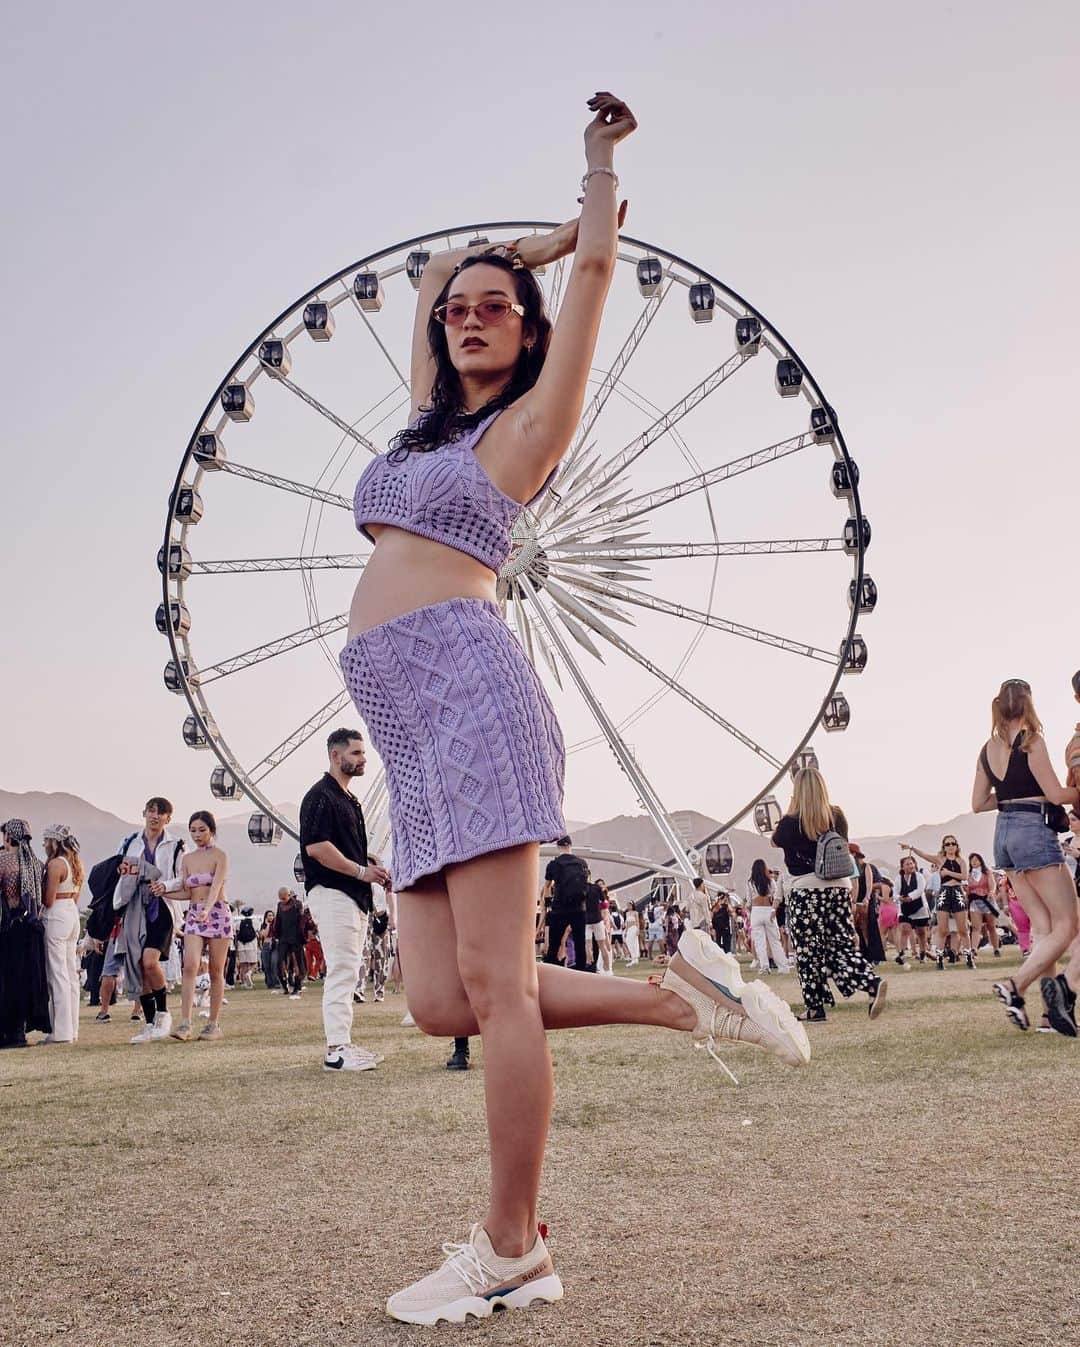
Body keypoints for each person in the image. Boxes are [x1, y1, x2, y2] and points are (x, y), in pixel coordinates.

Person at [335, 91, 808, 1325]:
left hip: (472, 699)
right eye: (461, 309)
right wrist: (506, 254)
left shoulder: (526, 430)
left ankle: (511, 1246)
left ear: (533, 335)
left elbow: (595, 272)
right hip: (409, 735)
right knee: (438, 1000)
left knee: (496, 995)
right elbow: (441, 270)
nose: (472, 312)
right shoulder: (424, 422)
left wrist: (589, 187)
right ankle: (679, 1000)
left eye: (501, 307)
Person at [971, 679, 1079, 1033]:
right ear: (1028, 705)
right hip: (1033, 831)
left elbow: (978, 804)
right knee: (1069, 923)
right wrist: (1075, 790)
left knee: (1043, 928)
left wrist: (1009, 796)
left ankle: (1050, 1016)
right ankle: (1014, 985)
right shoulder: (1031, 741)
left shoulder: (987, 749)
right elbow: (1055, 793)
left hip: (1004, 833)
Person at [300, 728, 390, 1072]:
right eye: (355, 753)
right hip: (333, 892)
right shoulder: (321, 796)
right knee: (341, 969)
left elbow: (337, 845)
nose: (362, 759)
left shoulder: (348, 799)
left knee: (349, 969)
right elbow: (318, 848)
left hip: (352, 895)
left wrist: (368, 864)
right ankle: (336, 1050)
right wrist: (359, 872)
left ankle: (343, 1044)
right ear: (335, 756)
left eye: (363, 754)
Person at [772, 769, 887, 1023]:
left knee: (808, 951)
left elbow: (775, 841)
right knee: (841, 944)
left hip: (806, 889)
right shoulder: (836, 816)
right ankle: (871, 982)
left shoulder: (791, 822)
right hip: (838, 888)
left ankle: (815, 1007)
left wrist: (793, 806)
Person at [114, 798, 186, 1043]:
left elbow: (183, 878)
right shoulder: (130, 843)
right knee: (136, 963)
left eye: (161, 813)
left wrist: (164, 885)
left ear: (168, 818)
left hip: (163, 906)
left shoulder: (176, 845)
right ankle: (149, 1021)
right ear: (144, 813)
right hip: (135, 906)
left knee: (149, 961)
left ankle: (163, 1012)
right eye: (151, 811)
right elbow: (120, 873)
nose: (155, 816)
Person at [172, 811, 232, 1042]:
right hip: (195, 913)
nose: (197, 835)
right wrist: (163, 891)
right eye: (193, 830)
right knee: (190, 965)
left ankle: (212, 1024)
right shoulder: (187, 859)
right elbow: (186, 892)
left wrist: (208, 909)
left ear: (212, 830)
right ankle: (185, 1023)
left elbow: (216, 885)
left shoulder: (220, 855)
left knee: (216, 970)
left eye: (201, 830)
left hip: (217, 912)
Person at [0, 820, 51, 1047]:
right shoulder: (37, 863)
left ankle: (6, 1032)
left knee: (6, 980)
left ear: (8, 837)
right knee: (25, 980)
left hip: (9, 929)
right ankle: (18, 1033)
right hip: (31, 929)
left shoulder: (4, 861)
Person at [40, 824, 84, 1044]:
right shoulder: (75, 863)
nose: (44, 844)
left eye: (46, 840)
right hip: (72, 913)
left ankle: (61, 1031)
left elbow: (48, 899)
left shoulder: (56, 864)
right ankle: (72, 1029)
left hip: (56, 914)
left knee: (57, 974)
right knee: (70, 974)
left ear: (54, 841)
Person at [904, 835, 972, 969]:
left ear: (957, 846)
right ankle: (939, 960)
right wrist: (911, 848)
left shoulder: (961, 861)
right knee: (942, 929)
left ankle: (969, 958)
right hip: (944, 893)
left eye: (953, 843)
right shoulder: (940, 859)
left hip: (958, 891)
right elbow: (924, 855)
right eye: (948, 844)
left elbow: (964, 876)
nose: (951, 846)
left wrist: (948, 873)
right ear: (944, 847)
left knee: (963, 928)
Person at [543, 838, 590, 972]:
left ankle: (551, 972)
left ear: (557, 846)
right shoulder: (582, 863)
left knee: (554, 944)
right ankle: (581, 973)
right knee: (579, 944)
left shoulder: (553, 864)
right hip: (579, 908)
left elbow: (547, 886)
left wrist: (548, 903)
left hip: (559, 909)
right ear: (570, 845)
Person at [746, 859, 790, 974]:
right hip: (768, 911)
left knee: (760, 942)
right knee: (774, 941)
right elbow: (777, 895)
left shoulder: (750, 883)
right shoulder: (770, 881)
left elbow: (748, 902)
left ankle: (764, 967)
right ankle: (783, 966)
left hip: (756, 912)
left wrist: (751, 912)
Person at [896, 854, 931, 964]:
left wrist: (910, 897)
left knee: (921, 932)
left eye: (912, 863)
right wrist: (899, 898)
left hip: (919, 907)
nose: (911, 865)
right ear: (902, 867)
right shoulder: (898, 878)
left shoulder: (919, 876)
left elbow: (920, 890)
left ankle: (923, 954)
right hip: (904, 908)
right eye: (907, 864)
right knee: (905, 929)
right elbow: (895, 892)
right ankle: (901, 954)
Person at [271, 888, 306, 998]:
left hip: (296, 938)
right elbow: (278, 921)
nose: (283, 901)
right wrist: (276, 935)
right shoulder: (279, 906)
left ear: (289, 895)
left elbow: (302, 921)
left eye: (284, 898)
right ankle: (285, 986)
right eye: (281, 899)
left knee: (297, 963)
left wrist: (303, 937)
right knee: (280, 962)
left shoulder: (297, 904)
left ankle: (297, 987)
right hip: (283, 938)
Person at [966, 852, 1001, 957]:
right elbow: (967, 890)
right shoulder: (968, 875)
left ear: (980, 861)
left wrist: (991, 892)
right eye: (972, 860)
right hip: (974, 902)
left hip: (987, 900)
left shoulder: (987, 872)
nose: (974, 862)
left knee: (991, 926)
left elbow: (992, 885)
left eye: (976, 859)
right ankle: (974, 949)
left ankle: (996, 948)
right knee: (976, 927)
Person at [235, 907, 259, 988]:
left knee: (243, 965)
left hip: (241, 946)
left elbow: (237, 934)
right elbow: (257, 932)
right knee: (254, 963)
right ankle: (249, 973)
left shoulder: (238, 923)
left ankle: (244, 982)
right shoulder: (255, 922)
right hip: (252, 945)